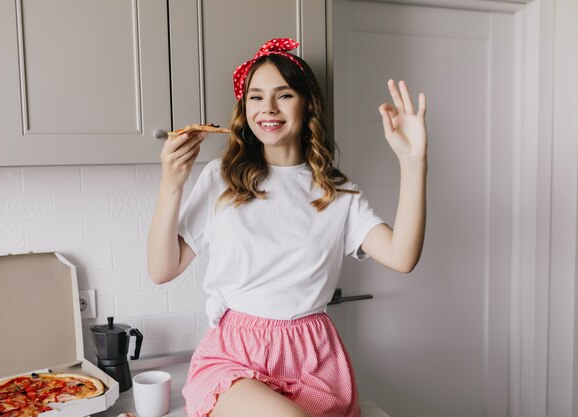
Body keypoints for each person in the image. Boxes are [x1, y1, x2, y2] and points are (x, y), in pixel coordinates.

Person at [147, 38, 427, 417]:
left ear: (307, 103)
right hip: (235, 356)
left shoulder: (337, 192)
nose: (268, 109)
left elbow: (402, 257)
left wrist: (413, 162)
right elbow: (162, 269)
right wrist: (172, 183)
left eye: (284, 95)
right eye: (256, 97)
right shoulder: (221, 178)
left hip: (314, 360)